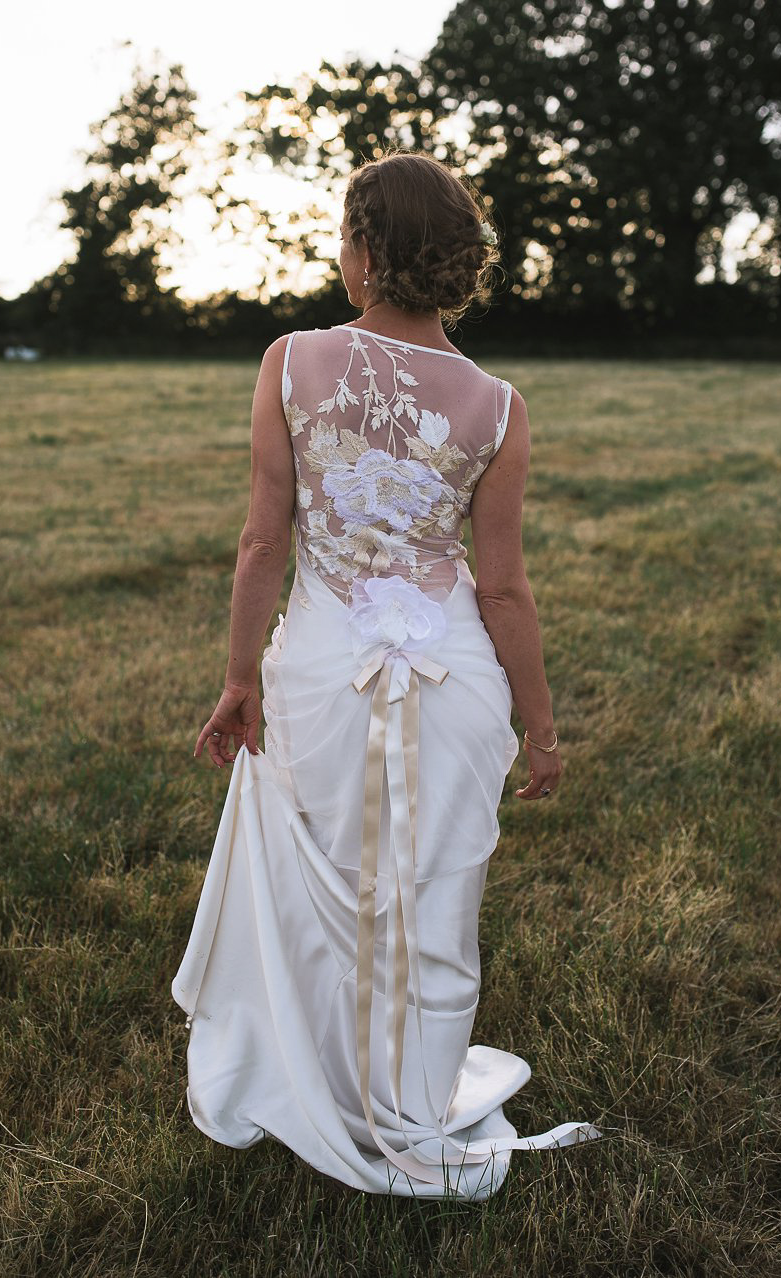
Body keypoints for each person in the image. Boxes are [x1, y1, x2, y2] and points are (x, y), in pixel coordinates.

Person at [171, 151, 605, 1201]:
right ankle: (406, 1094)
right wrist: (541, 729)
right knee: (433, 891)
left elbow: (260, 544)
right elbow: (502, 588)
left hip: (320, 670)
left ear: (365, 251)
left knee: (317, 883)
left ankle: (312, 1074)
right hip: (453, 675)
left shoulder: (290, 359)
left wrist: (241, 676)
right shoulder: (498, 403)